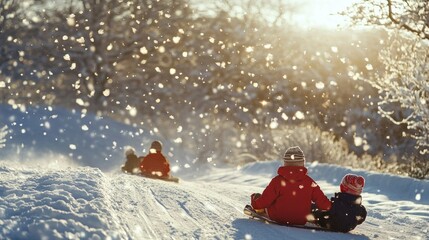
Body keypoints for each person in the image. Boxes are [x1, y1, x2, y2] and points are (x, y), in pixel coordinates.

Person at [250, 146, 332, 225]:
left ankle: (261, 210)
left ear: (285, 163)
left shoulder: (277, 181)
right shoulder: (309, 182)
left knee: (262, 200)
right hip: (301, 219)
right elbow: (324, 204)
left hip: (278, 217)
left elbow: (265, 200)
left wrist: (254, 202)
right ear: (302, 163)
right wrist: (333, 207)